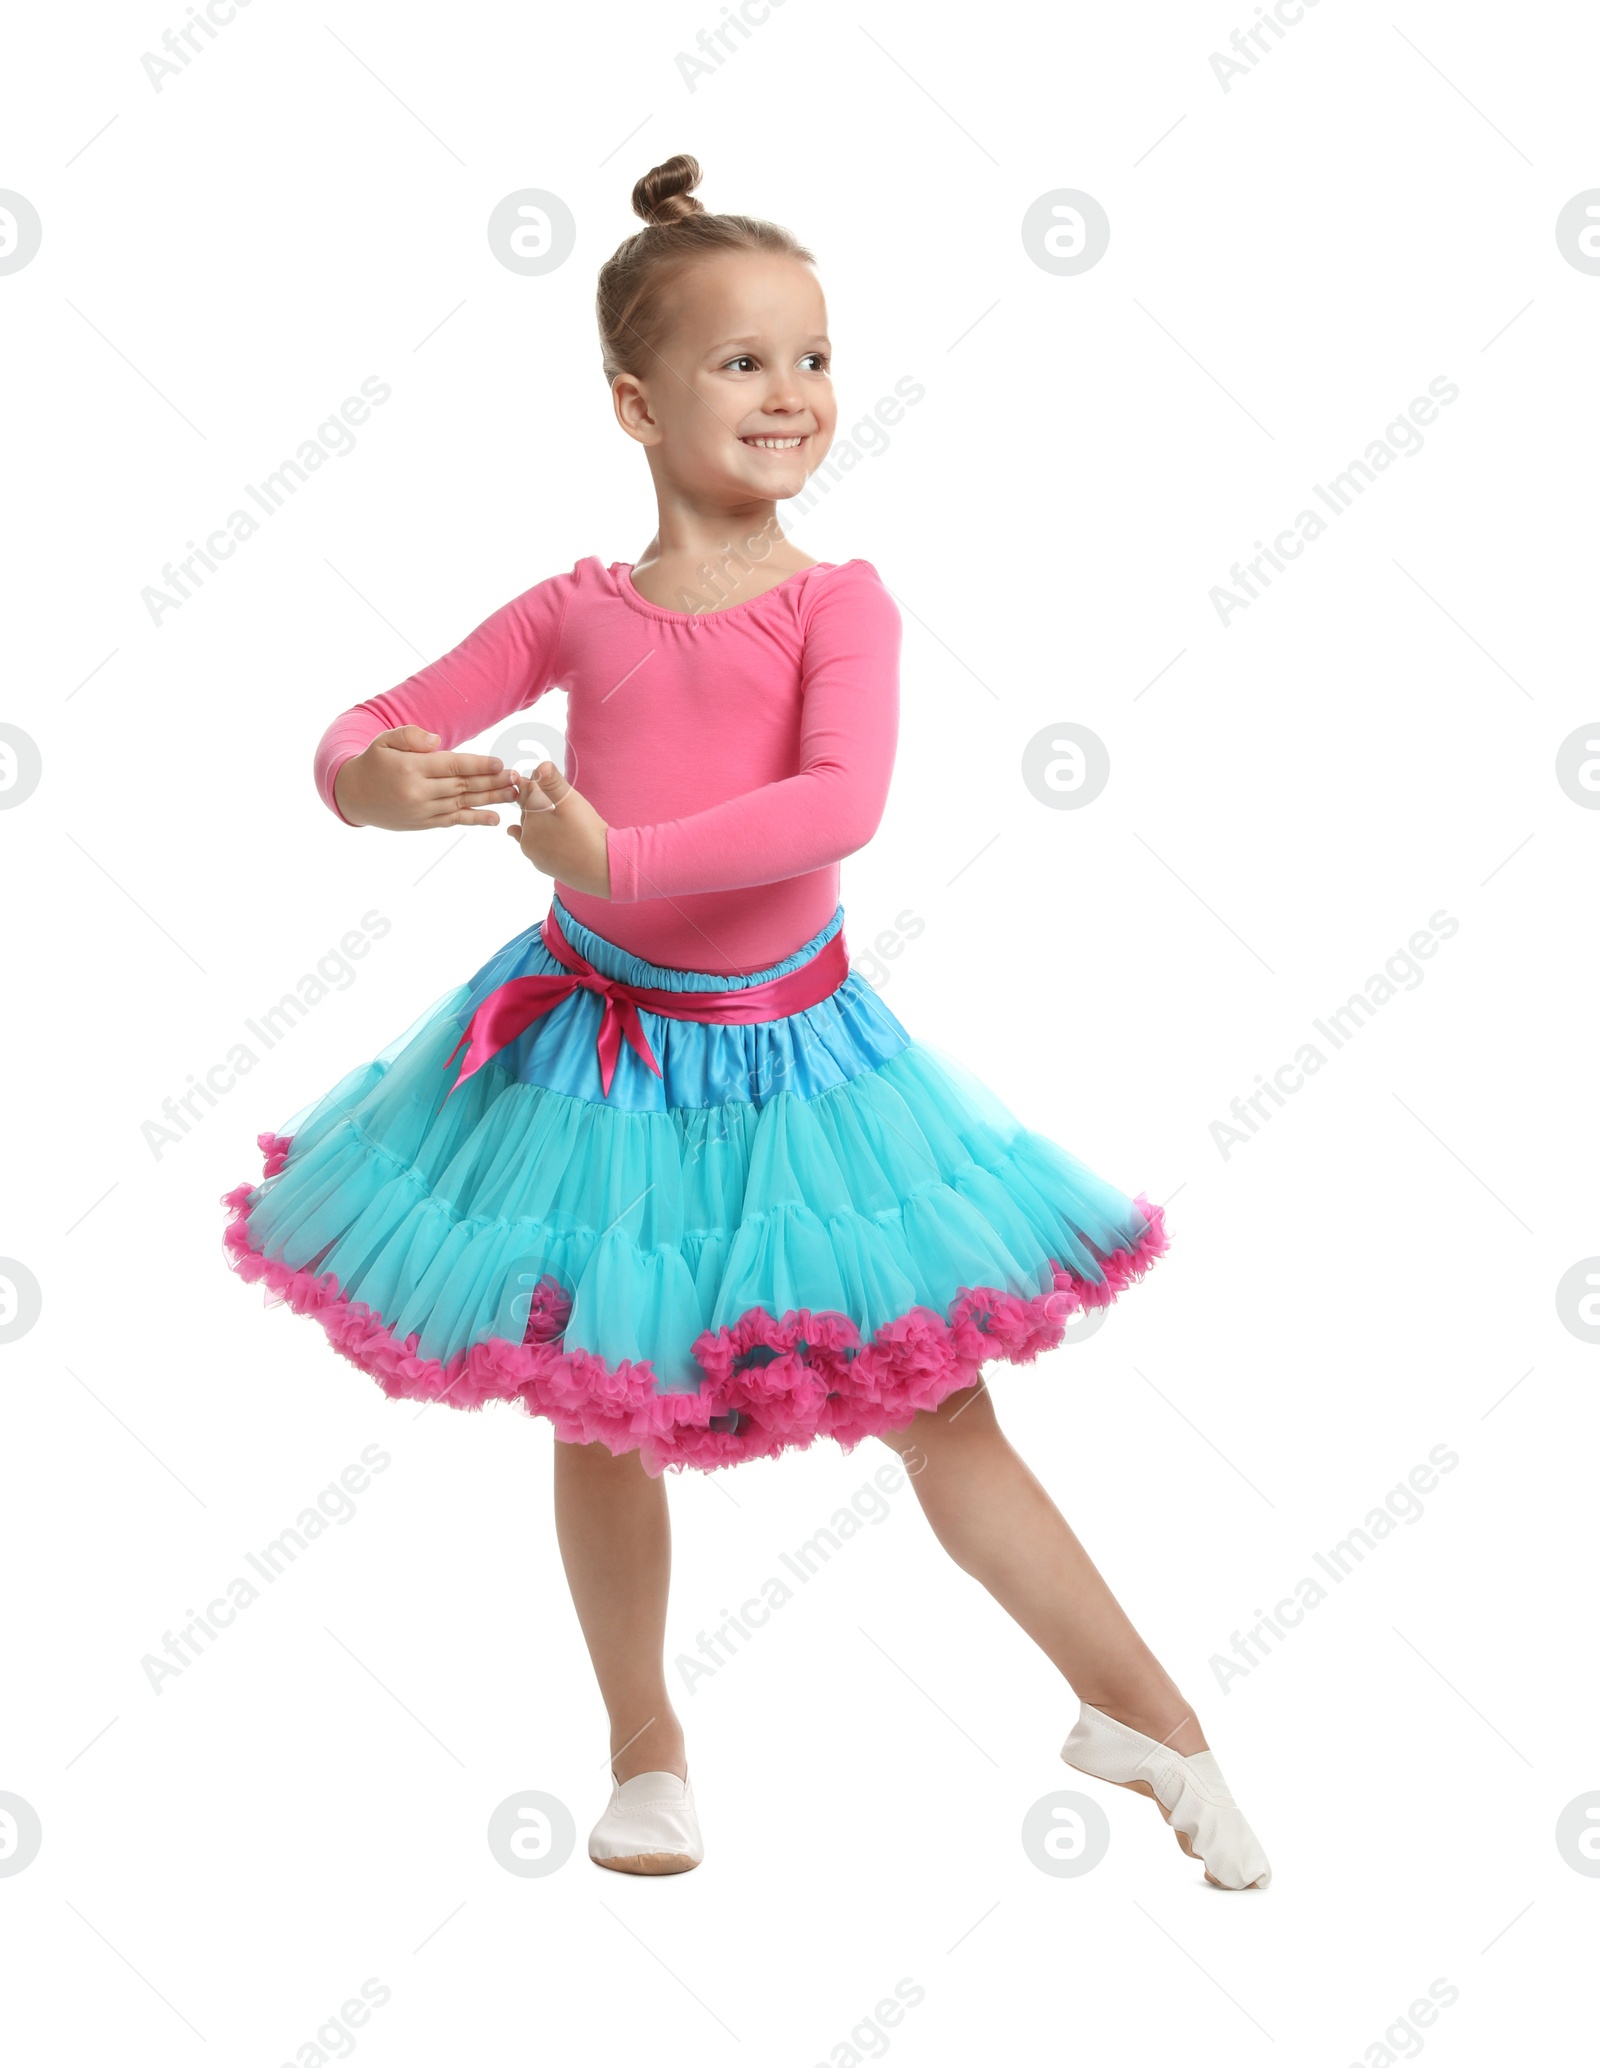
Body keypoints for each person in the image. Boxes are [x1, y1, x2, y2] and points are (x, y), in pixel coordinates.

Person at [223, 154, 1269, 1891]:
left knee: (942, 1409)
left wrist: (606, 847)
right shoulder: (577, 609)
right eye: (742, 362)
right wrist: (375, 788)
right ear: (636, 403)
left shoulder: (835, 602)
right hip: (593, 1056)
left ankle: (1147, 1715)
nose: (791, 395)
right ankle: (648, 1748)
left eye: (813, 357)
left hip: (802, 1066)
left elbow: (836, 807)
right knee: (599, 1393)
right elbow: (371, 717)